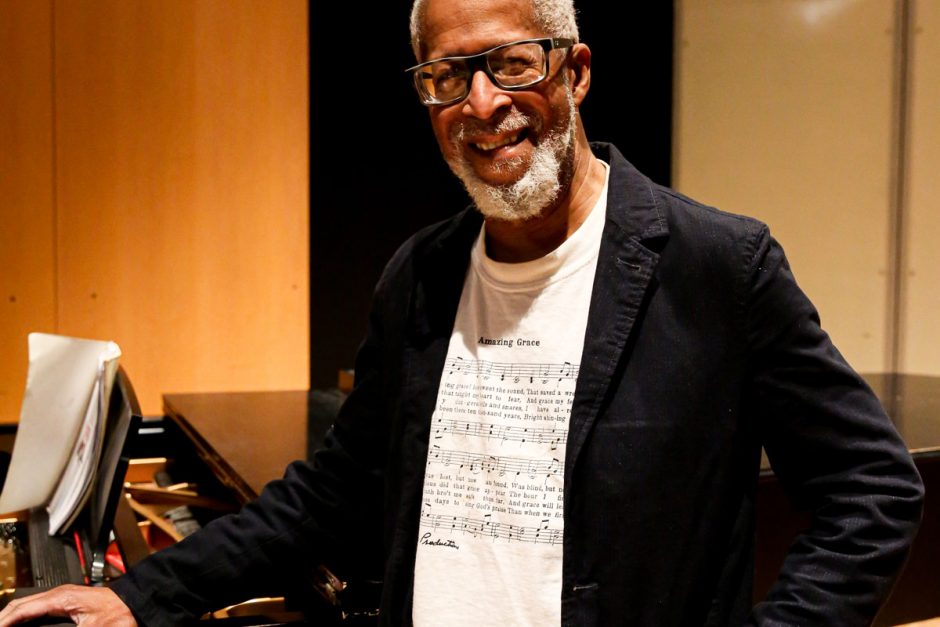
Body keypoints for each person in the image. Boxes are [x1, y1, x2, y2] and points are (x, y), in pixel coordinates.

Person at [0, 0, 924, 625]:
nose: (483, 105)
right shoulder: (421, 274)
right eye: (448, 76)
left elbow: (874, 489)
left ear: (576, 72)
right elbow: (332, 493)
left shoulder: (719, 267)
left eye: (510, 64)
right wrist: (141, 597)